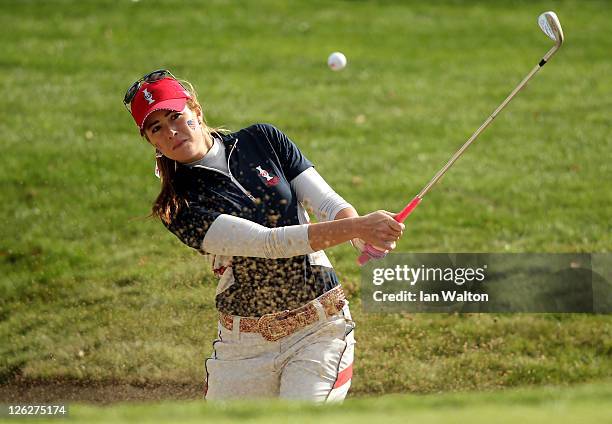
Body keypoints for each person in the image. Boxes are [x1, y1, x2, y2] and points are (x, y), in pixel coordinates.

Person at [123, 69, 404, 401]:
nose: (171, 131)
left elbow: (326, 202)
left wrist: (360, 234)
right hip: (242, 349)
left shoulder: (262, 139)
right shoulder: (178, 206)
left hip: (319, 329)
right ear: (151, 140)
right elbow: (266, 244)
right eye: (157, 128)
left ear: (195, 111)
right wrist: (356, 228)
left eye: (176, 117)